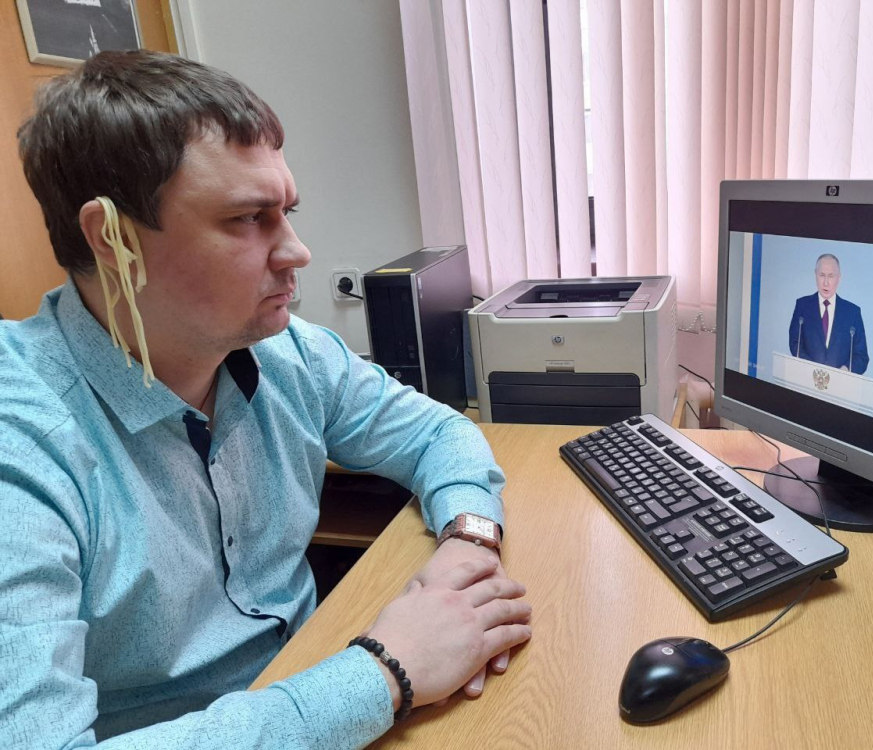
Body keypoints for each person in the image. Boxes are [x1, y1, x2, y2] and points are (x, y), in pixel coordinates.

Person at [0, 51, 531, 749]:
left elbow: (437, 434)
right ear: (112, 238)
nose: (297, 251)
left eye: (287, 211)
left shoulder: (288, 353)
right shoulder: (23, 442)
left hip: (329, 685)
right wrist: (384, 674)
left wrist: (469, 538)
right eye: (249, 217)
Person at [787, 253, 869, 374]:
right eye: (822, 275)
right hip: (806, 378)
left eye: (831, 276)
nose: (826, 283)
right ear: (815, 274)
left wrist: (845, 370)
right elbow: (795, 343)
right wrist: (810, 368)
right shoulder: (802, 305)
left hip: (841, 382)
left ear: (839, 278)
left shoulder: (853, 313)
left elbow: (861, 356)